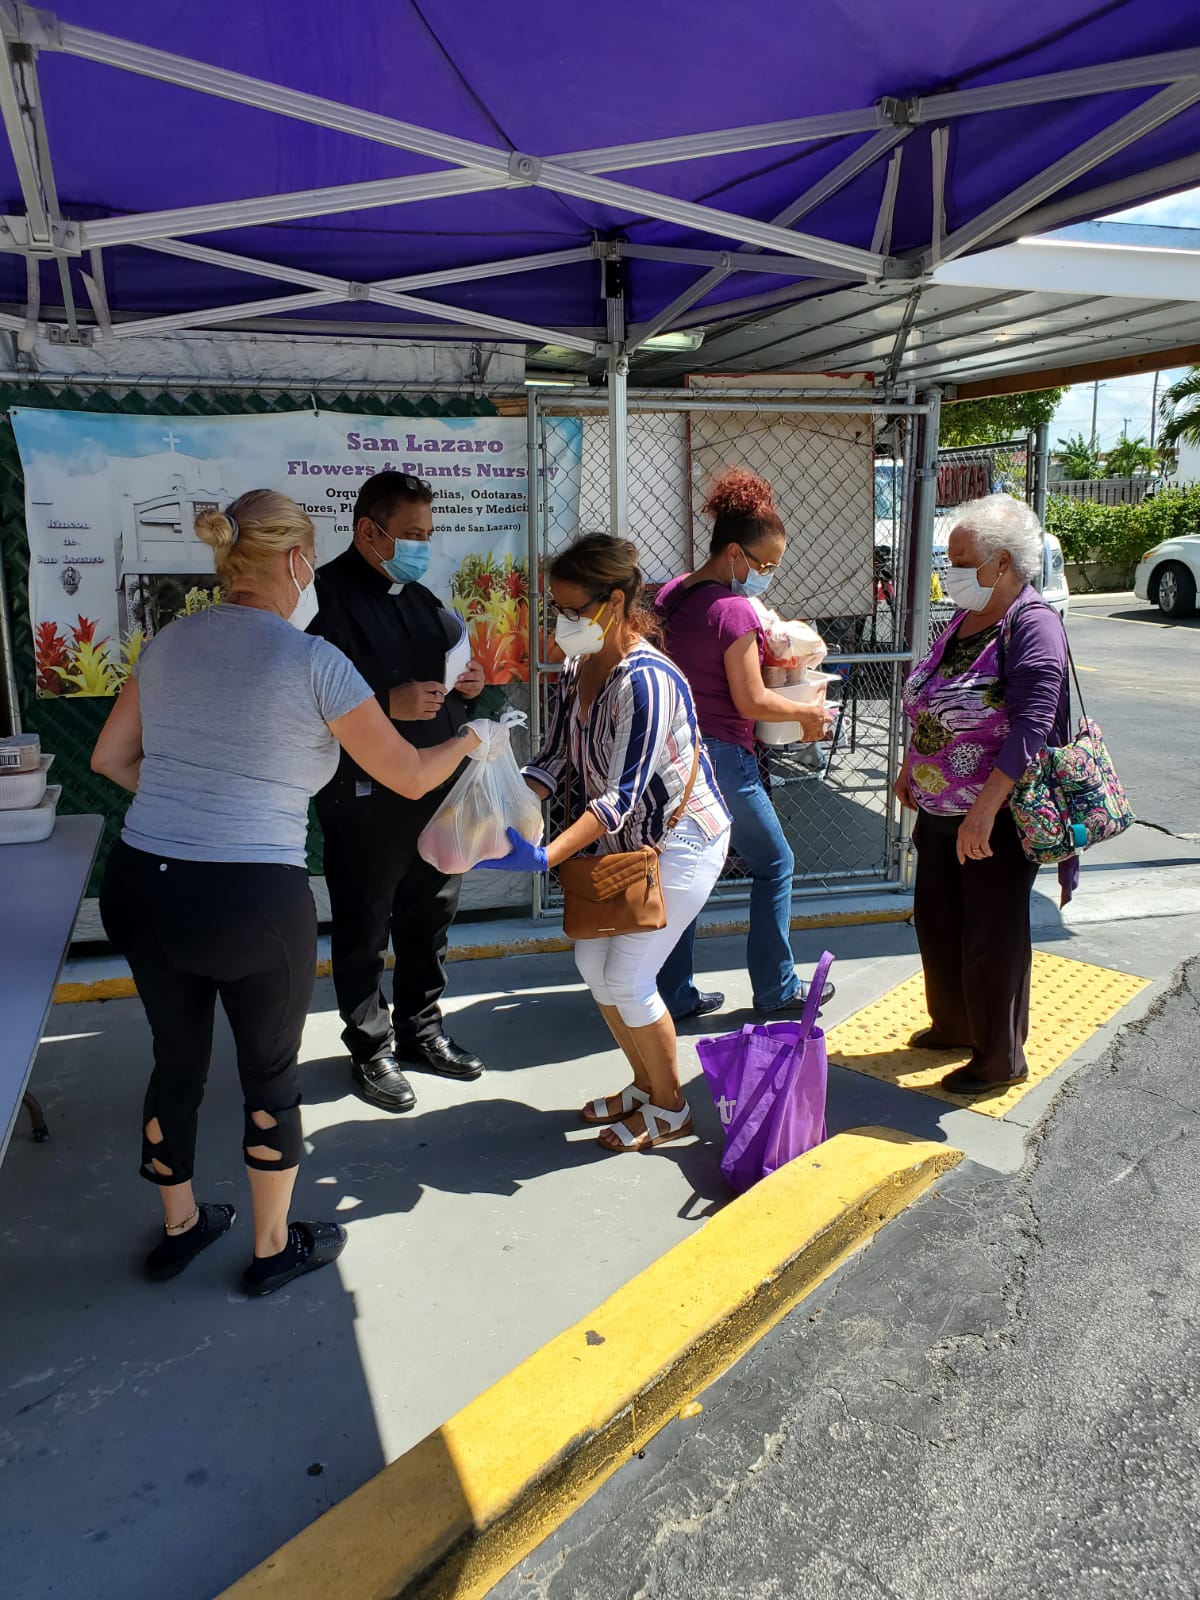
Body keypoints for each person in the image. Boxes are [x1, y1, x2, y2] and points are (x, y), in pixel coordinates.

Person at [92, 490, 488, 1294]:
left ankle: (180, 1227)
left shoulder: (168, 643)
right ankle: (273, 1249)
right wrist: (471, 738)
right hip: (249, 899)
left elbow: (107, 759)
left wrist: (182, 811)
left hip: (142, 883)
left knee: (176, 1063)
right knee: (269, 1074)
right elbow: (409, 772)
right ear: (298, 561)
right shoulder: (314, 660)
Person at [478, 534, 731, 1151]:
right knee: (595, 966)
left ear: (614, 602)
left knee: (629, 980)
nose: (560, 623)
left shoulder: (646, 682)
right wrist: (505, 807)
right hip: (630, 845)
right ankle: (645, 1087)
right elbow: (554, 758)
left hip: (681, 842)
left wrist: (543, 856)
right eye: (555, 609)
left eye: (570, 610)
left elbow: (618, 798)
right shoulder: (578, 666)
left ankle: (672, 1110)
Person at [310, 471, 488, 1115]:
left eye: (427, 535)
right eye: (410, 535)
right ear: (368, 530)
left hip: (434, 786)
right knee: (364, 923)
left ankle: (422, 1030)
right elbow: (303, 703)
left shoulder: (418, 596)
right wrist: (388, 702)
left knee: (429, 913)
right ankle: (370, 1046)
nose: (421, 547)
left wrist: (470, 685)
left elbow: (454, 669)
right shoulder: (320, 599)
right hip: (361, 794)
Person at [893, 493, 1072, 1095]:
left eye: (961, 559)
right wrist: (909, 769)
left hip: (995, 816)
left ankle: (998, 1057)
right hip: (941, 809)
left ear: (1002, 562)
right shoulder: (963, 622)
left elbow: (1034, 725)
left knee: (990, 937)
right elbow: (930, 702)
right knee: (939, 923)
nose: (950, 571)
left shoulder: (1033, 623)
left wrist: (985, 810)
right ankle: (954, 1024)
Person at [653, 468, 835, 1021]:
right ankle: (777, 988)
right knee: (774, 862)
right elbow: (752, 700)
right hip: (722, 759)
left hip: (671, 755)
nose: (766, 576)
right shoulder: (732, 610)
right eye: (763, 565)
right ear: (734, 552)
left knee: (684, 872)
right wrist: (808, 711)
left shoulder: (671, 593)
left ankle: (673, 994)